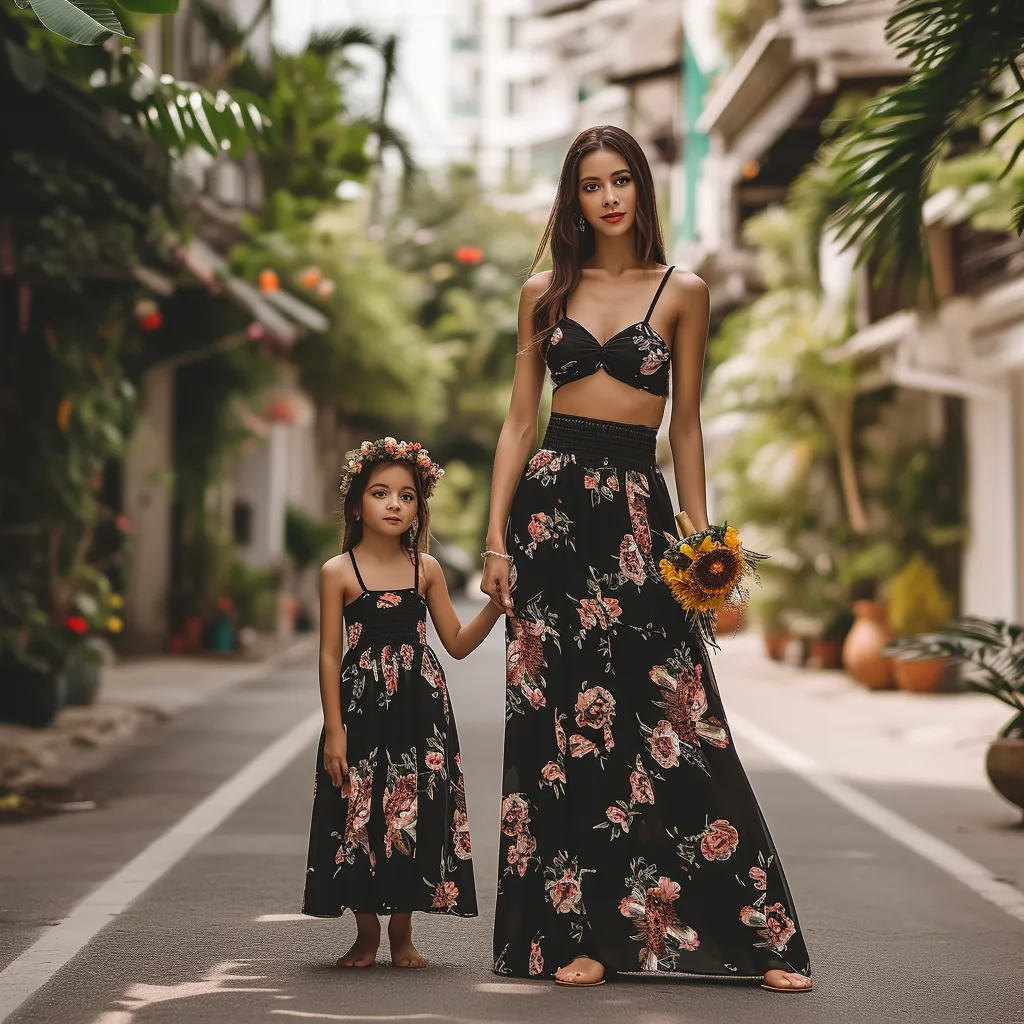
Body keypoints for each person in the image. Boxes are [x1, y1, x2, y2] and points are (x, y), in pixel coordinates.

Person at [481, 126, 813, 992]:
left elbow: (688, 422)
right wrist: (493, 541)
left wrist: (701, 543)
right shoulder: (542, 293)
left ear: (642, 189)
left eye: (622, 179)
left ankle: (762, 938)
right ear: (573, 199)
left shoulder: (683, 291)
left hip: (634, 513)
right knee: (564, 730)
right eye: (591, 184)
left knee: (677, 718)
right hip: (549, 513)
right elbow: (519, 421)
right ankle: (578, 936)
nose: (609, 197)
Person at [303, 437, 502, 969]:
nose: (394, 504)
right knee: (358, 812)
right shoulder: (337, 572)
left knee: (415, 811)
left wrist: (496, 610)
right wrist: (335, 730)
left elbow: (456, 643)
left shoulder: (427, 568)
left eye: (407, 496)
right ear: (356, 504)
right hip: (360, 708)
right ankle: (365, 934)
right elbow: (328, 656)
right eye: (381, 493)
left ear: (419, 507)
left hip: (421, 708)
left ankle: (402, 934)